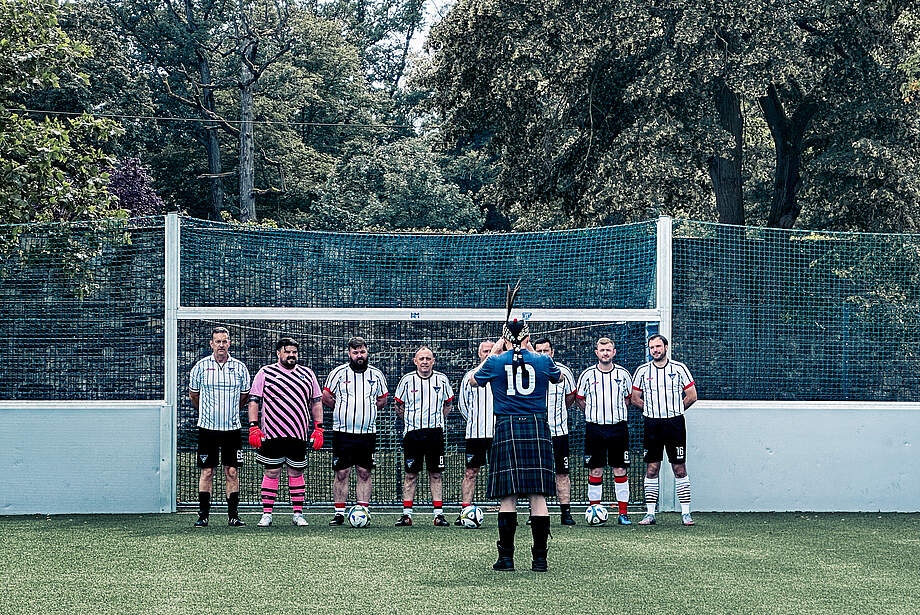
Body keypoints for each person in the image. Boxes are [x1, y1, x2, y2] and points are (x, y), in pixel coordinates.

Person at [471, 319, 561, 573]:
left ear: (505, 339)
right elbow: (559, 377)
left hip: (507, 426)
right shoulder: (543, 361)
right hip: (536, 425)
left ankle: (507, 559)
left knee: (508, 495)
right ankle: (540, 560)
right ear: (527, 337)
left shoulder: (495, 362)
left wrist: (496, 350)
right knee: (537, 495)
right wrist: (529, 350)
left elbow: (474, 381)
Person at [247, 337, 324, 527]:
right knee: (272, 471)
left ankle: (298, 513)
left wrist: (319, 428)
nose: (291, 355)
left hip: (298, 433)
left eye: (294, 352)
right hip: (272, 433)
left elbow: (316, 401)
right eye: (287, 351)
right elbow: (254, 400)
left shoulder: (307, 374)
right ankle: (267, 514)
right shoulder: (265, 372)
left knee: (296, 472)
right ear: (278, 353)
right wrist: (253, 426)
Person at [630, 334, 698, 526]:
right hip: (652, 424)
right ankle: (650, 513)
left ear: (666, 347)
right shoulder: (642, 371)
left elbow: (691, 395)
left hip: (674, 424)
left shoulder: (679, 369)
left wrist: (674, 409)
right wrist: (653, 410)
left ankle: (686, 513)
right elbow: (635, 398)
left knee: (679, 467)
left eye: (658, 346)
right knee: (652, 468)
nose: (655, 350)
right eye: (652, 347)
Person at [188, 326, 251, 527]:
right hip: (207, 428)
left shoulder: (240, 368)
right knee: (207, 471)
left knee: (231, 471)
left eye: (225, 341)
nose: (221, 345)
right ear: (211, 344)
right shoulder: (200, 367)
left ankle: (233, 515)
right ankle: (203, 515)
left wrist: (231, 411)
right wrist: (206, 413)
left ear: (229, 343)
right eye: (218, 341)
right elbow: (194, 395)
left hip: (232, 429)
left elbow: (244, 396)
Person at [322, 337, 389, 526]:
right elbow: (326, 396)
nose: (359, 356)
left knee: (364, 471)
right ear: (349, 353)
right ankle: (339, 512)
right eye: (355, 352)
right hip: (342, 432)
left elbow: (382, 400)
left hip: (367, 433)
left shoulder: (376, 375)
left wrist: (366, 411)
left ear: (367, 352)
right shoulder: (338, 373)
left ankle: (363, 510)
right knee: (342, 472)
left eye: (362, 352)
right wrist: (343, 410)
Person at [575, 337, 635, 525]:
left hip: (618, 428)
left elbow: (628, 399)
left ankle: (623, 513)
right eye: (602, 350)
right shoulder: (587, 375)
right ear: (596, 353)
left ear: (614, 352)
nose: (605, 353)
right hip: (595, 428)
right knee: (595, 469)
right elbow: (580, 400)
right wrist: (595, 414)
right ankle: (594, 510)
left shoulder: (624, 374)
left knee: (620, 469)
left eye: (608, 350)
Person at [394, 346, 454, 527]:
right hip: (413, 434)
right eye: (422, 359)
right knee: (410, 474)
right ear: (415, 361)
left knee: (436, 473)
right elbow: (398, 406)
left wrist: (436, 421)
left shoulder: (442, 380)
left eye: (428, 358)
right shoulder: (406, 380)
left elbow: (448, 404)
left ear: (433, 361)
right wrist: (412, 422)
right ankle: (406, 515)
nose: (425, 362)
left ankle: (438, 514)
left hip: (435, 433)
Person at [533, 337, 578, 526]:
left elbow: (571, 397)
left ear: (552, 352)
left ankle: (565, 512)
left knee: (562, 472)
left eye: (546, 351)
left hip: (559, 432)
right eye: (539, 351)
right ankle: (534, 513)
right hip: (535, 432)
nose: (543, 354)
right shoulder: (530, 369)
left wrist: (558, 415)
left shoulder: (564, 372)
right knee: (535, 474)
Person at [455, 340, 495, 525]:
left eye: (491, 351)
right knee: (471, 472)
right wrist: (475, 420)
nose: (488, 354)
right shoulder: (470, 376)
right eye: (484, 351)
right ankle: (465, 510)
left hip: (500, 434)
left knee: (504, 472)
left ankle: (507, 512)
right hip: (476, 433)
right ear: (479, 354)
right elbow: (462, 405)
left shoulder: (503, 373)